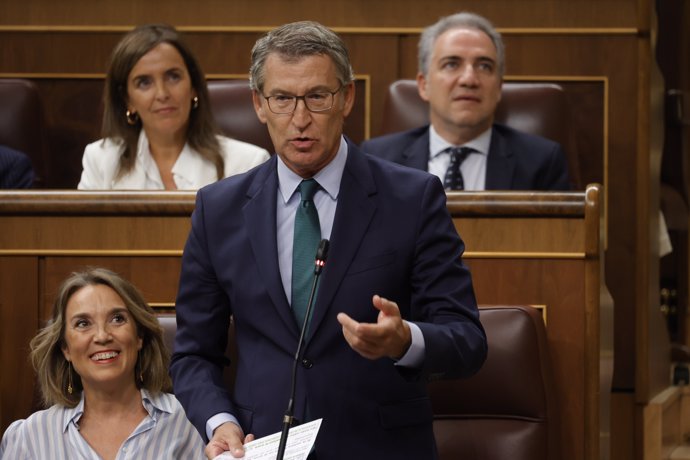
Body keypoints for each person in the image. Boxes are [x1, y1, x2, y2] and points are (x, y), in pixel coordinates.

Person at [170, 21, 487, 459]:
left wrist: (405, 340)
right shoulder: (218, 210)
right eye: (283, 98)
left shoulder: (412, 199)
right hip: (261, 448)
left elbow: (467, 340)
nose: (300, 119)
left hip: (379, 448)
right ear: (259, 104)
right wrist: (220, 422)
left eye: (318, 96)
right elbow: (193, 355)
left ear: (347, 99)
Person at [0, 267, 205, 459]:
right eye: (83, 323)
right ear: (65, 348)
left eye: (117, 319)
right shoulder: (29, 437)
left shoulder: (189, 421)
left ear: (139, 336)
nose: (102, 336)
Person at [360, 12, 571, 191]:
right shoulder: (376, 160)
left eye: (485, 66)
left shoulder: (542, 163)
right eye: (452, 64)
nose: (469, 79)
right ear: (424, 85)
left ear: (498, 87)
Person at [78, 24, 269, 190]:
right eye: (144, 82)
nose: (162, 94)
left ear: (193, 87)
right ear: (128, 99)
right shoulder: (100, 160)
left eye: (173, 76)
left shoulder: (247, 164)